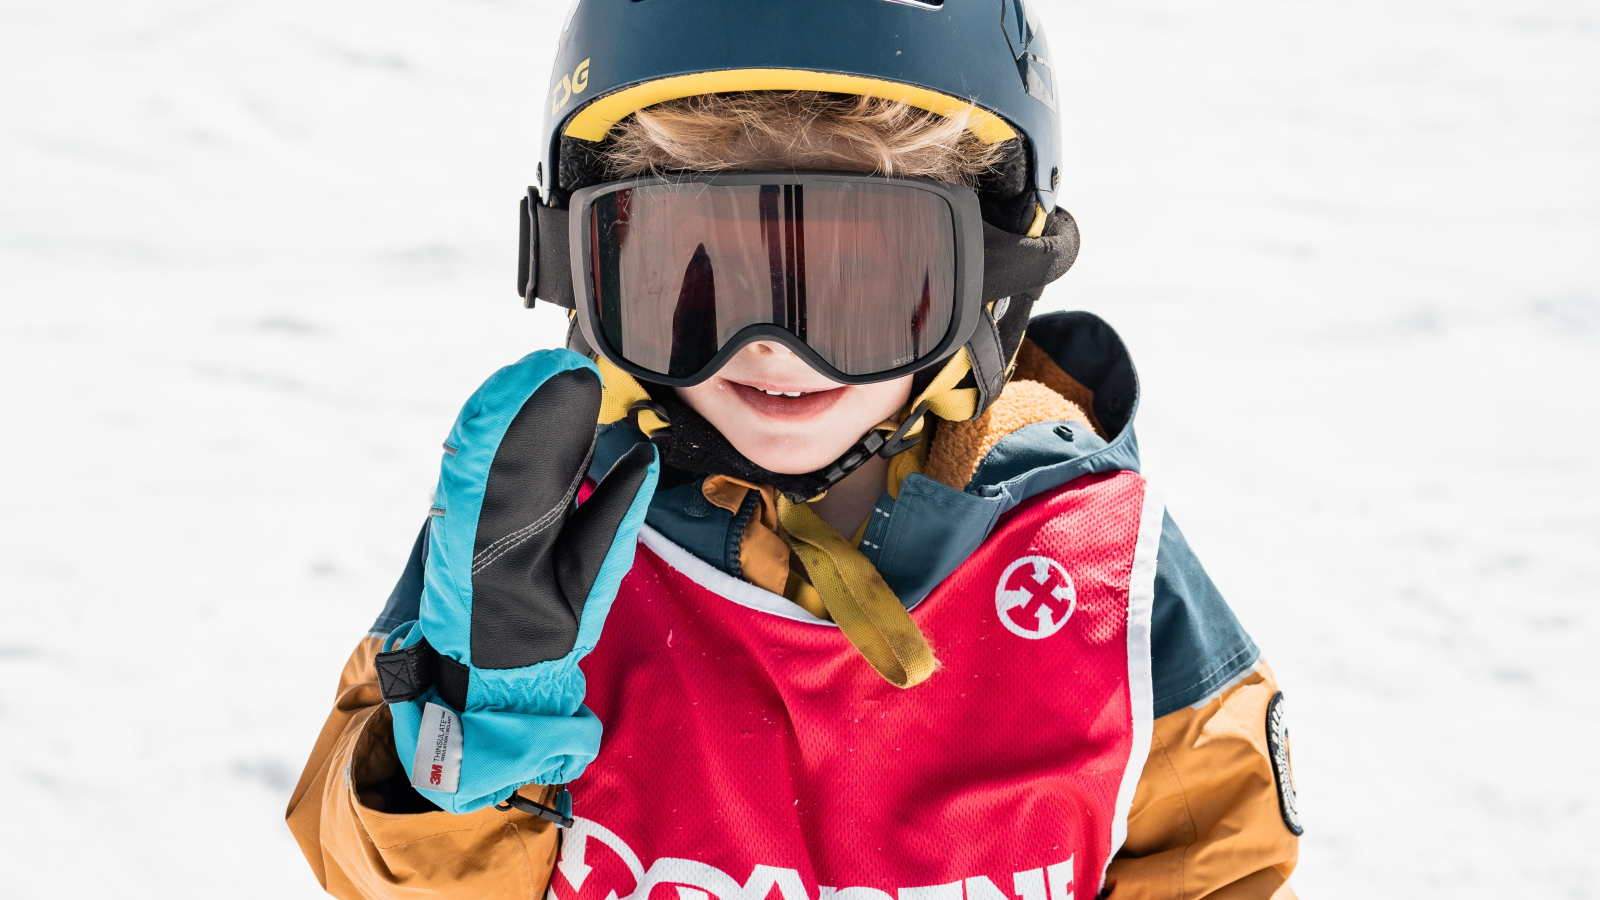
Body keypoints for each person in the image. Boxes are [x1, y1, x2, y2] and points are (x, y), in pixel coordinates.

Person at [286, 2, 1301, 898]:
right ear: (585, 272)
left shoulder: (1099, 575)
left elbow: (1219, 864)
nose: (772, 347)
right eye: (695, 281)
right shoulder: (535, 553)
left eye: (861, 285)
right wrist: (468, 743)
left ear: (988, 278)